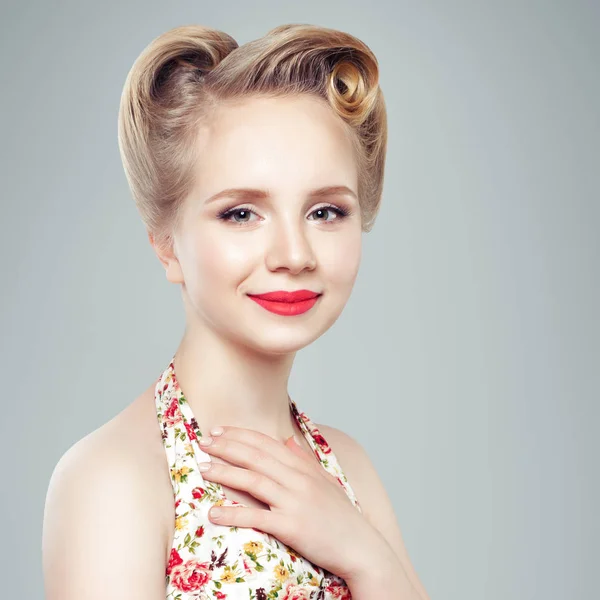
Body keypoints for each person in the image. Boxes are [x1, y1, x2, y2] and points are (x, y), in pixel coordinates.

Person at [42, 23, 429, 600]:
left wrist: (366, 558)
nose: (294, 255)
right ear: (167, 243)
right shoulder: (114, 479)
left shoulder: (350, 471)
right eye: (241, 214)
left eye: (325, 212)